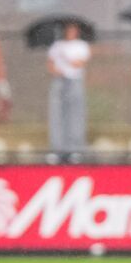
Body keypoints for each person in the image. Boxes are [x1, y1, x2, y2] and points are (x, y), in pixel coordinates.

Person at [46, 23, 90, 161]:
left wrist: (66, 58)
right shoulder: (57, 45)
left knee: (75, 114)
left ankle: (75, 149)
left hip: (74, 80)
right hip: (59, 81)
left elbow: (80, 63)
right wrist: (56, 70)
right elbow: (51, 63)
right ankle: (57, 149)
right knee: (57, 114)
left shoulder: (81, 46)